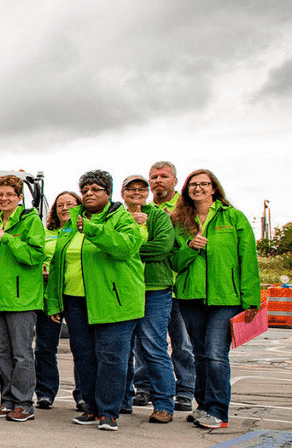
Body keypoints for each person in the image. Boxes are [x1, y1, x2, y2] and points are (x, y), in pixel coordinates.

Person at [46, 170, 145, 432]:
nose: (89, 193)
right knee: (85, 357)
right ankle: (90, 408)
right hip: (76, 301)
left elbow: (125, 247)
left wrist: (91, 228)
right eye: (85, 189)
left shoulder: (121, 217)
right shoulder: (72, 223)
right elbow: (59, 262)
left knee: (111, 358)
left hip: (115, 301)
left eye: (96, 189)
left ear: (108, 193)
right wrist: (55, 301)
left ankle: (109, 412)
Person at [168, 169, 259, 430]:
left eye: (204, 184)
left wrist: (251, 299)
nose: (198, 188)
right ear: (186, 190)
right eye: (193, 185)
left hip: (225, 296)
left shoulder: (234, 217)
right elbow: (174, 261)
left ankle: (219, 412)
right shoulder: (179, 221)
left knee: (216, 353)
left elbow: (247, 259)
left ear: (213, 188)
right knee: (199, 354)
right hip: (191, 296)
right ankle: (204, 406)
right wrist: (189, 248)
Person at [0, 175, 47, 422]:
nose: (4, 198)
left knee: (21, 354)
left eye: (10, 194)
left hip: (21, 301)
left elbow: (35, 256)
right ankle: (7, 401)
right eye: (0, 194)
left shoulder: (30, 220)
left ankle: (24, 403)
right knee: (2, 354)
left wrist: (6, 238)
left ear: (19, 197)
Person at [118, 174, 179, 424]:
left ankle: (164, 404)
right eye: (130, 189)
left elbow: (162, 247)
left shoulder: (158, 215)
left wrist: (126, 248)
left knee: (154, 348)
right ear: (122, 193)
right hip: (122, 289)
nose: (136, 192)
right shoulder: (117, 217)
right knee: (120, 349)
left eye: (141, 189)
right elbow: (107, 244)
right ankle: (121, 401)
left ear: (148, 192)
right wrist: (130, 227)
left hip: (154, 289)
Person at [146, 161, 196, 414]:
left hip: (177, 283)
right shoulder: (143, 207)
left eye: (163, 176)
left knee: (181, 342)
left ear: (175, 181)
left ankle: (185, 390)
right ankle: (143, 386)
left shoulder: (185, 208)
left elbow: (189, 243)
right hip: (150, 283)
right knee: (146, 341)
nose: (158, 180)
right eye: (153, 176)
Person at [36, 191, 79, 411]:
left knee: (80, 347)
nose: (64, 208)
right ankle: (45, 392)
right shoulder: (46, 233)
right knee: (45, 346)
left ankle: (82, 394)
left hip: (75, 294)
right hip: (49, 294)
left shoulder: (84, 232)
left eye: (70, 204)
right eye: (60, 205)